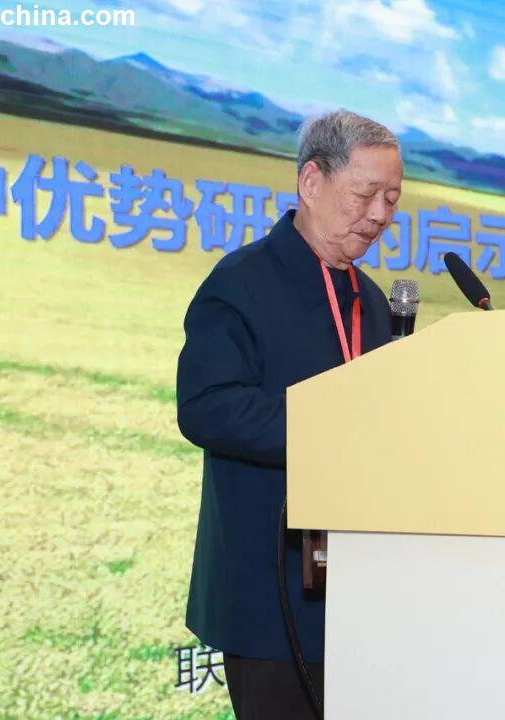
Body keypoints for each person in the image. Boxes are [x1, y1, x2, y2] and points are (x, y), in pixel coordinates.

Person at [176, 109, 402, 719]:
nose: (379, 214)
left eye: (391, 200)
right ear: (311, 182)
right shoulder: (241, 281)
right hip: (268, 593)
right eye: (364, 194)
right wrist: (330, 430)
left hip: (361, 590)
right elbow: (206, 406)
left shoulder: (371, 300)